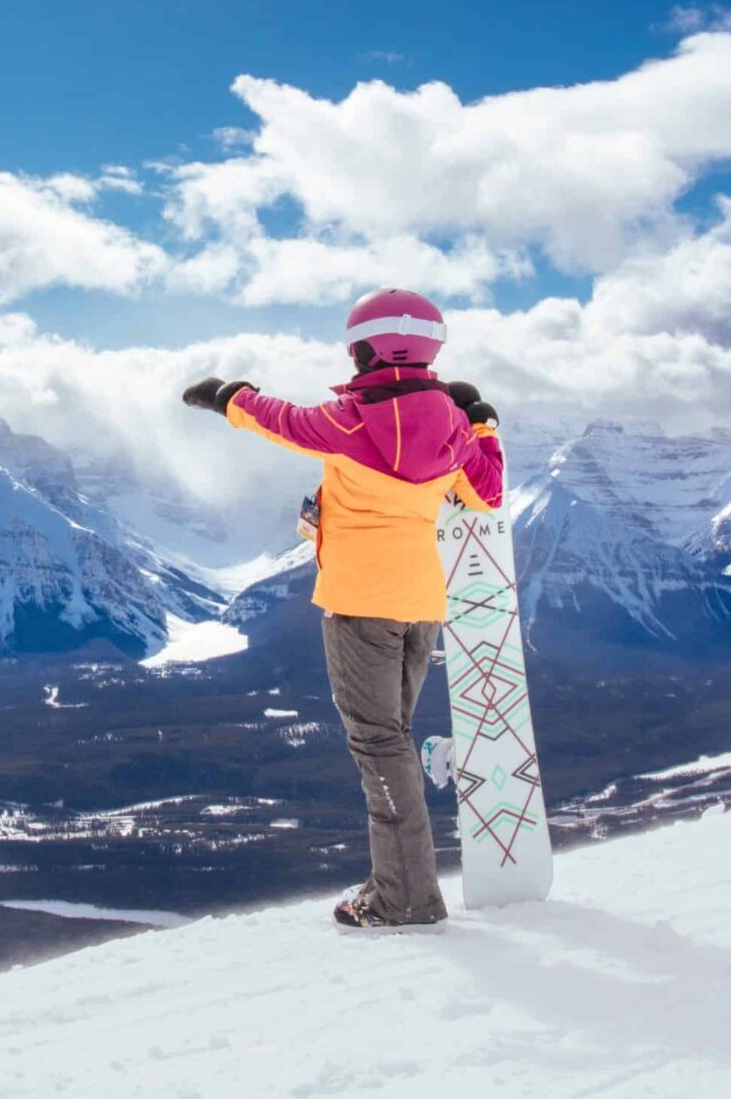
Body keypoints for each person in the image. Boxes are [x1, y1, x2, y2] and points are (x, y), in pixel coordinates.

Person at [182, 288, 503, 929]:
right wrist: (484, 423)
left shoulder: (348, 423)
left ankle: (405, 899)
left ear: (364, 349)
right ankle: (398, 877)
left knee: (378, 748)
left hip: (359, 606)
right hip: (421, 605)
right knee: (394, 743)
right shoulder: (452, 428)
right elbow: (487, 493)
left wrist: (225, 395)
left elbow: (278, 418)